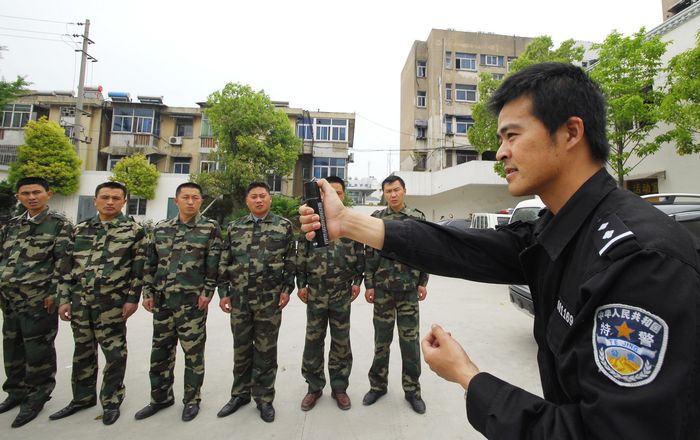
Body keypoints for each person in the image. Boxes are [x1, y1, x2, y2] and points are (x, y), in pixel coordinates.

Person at [299, 63, 700, 439]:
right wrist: (347, 222)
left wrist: (469, 377)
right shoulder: (558, 227)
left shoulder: (639, 262)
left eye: (512, 136)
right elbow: (461, 248)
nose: (501, 152)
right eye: (500, 140)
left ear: (571, 132)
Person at [51, 181, 148, 426]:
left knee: (114, 353)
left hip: (112, 304)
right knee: (82, 351)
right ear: (95, 200)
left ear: (124, 202)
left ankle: (112, 400)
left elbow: (139, 270)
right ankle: (82, 398)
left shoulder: (134, 231)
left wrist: (132, 299)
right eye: (105, 197)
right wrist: (64, 299)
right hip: (80, 302)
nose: (110, 202)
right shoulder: (80, 230)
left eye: (116, 198)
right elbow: (65, 269)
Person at [134, 182, 221, 422]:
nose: (190, 202)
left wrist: (207, 292)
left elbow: (213, 264)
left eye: (195, 197)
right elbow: (150, 263)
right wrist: (147, 292)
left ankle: (192, 400)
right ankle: (160, 398)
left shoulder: (209, 228)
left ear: (201, 201)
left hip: (191, 303)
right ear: (176, 201)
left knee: (193, 354)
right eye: (186, 197)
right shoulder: (161, 228)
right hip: (162, 301)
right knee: (160, 352)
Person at [217, 182, 295, 423]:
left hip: (269, 299)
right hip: (239, 299)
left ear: (270, 199)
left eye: (263, 196)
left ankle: (264, 399)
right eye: (254, 196)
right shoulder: (235, 227)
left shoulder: (283, 226)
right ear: (247, 201)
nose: (259, 200)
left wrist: (286, 290)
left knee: (266, 351)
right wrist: (223, 292)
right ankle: (239, 395)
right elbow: (225, 260)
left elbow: (290, 261)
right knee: (241, 349)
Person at [0, 177, 72, 428]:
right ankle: (15, 391)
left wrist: (56, 294)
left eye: (37, 192)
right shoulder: (12, 225)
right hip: (9, 298)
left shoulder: (59, 225)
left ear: (48, 194)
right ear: (18, 197)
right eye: (26, 193)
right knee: (12, 347)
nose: (31, 197)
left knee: (38, 350)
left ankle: (37, 396)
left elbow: (63, 263)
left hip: (39, 300)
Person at [296, 176, 364, 412]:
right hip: (316, 292)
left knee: (341, 341)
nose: (334, 195)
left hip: (341, 292)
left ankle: (339, 387)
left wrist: (358, 282)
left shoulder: (351, 222)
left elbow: (360, 254)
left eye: (339, 192)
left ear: (343, 196)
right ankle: (314, 387)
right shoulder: (311, 221)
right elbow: (301, 255)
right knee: (313, 340)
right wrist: (301, 284)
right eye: (329, 192)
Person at [362, 175, 428, 414]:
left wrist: (423, 282)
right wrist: (369, 284)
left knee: (410, 343)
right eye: (388, 191)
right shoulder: (377, 219)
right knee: (381, 342)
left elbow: (425, 252)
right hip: (383, 291)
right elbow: (369, 254)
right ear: (384, 193)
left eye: (396, 190)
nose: (392, 194)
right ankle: (377, 386)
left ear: (404, 190)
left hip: (409, 291)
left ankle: (412, 391)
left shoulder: (417, 218)